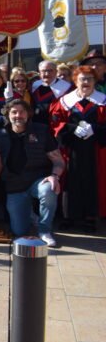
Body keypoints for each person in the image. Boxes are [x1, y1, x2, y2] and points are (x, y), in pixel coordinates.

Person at [0, 99, 64, 245]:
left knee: (49, 189)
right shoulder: (0, 135)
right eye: (14, 112)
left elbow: (59, 161)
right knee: (19, 231)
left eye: (22, 111)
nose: (18, 115)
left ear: (28, 114)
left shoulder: (41, 131)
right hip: (15, 185)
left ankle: (44, 230)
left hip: (38, 180)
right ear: (7, 114)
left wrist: (54, 176)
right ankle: (31, 215)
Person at [50, 66, 106, 230]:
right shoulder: (64, 102)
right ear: (75, 81)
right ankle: (69, 216)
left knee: (92, 180)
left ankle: (90, 217)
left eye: (90, 79)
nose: (86, 82)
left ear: (95, 81)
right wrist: (72, 128)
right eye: (82, 79)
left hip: (95, 149)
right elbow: (55, 123)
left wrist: (95, 129)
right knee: (70, 180)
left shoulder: (102, 100)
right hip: (70, 150)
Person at [31, 60, 72, 125]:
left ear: (56, 72)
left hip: (55, 125)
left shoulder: (66, 87)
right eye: (44, 71)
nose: (47, 74)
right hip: (37, 124)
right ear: (39, 72)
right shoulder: (35, 85)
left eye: (50, 71)